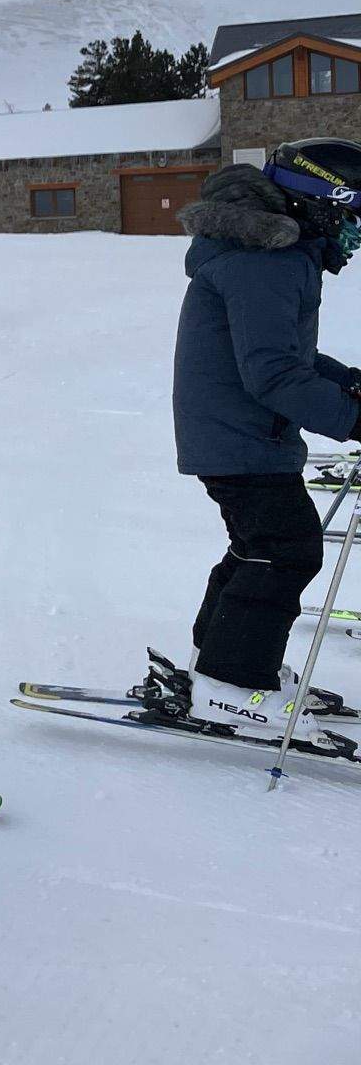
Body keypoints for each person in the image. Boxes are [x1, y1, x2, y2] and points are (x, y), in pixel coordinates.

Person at [165, 143, 361, 741]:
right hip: (241, 434)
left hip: (236, 431)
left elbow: (287, 356)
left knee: (259, 545)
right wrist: (353, 422)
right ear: (322, 204)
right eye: (352, 215)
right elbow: (272, 373)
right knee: (285, 549)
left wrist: (349, 385)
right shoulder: (266, 261)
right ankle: (231, 687)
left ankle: (218, 664)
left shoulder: (274, 253)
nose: (355, 232)